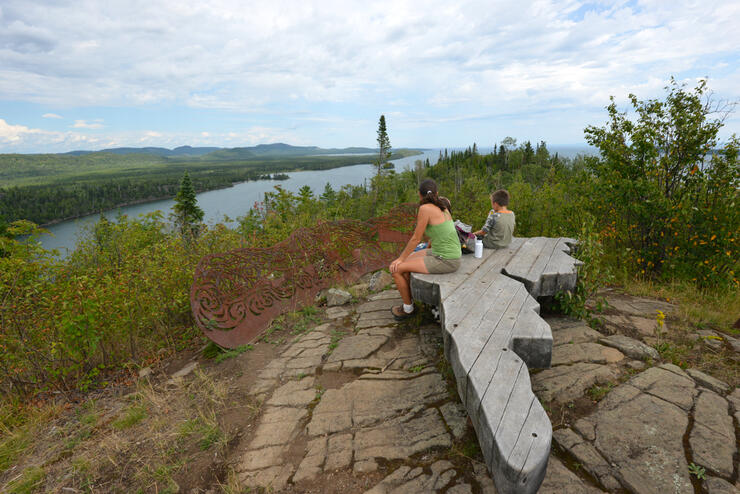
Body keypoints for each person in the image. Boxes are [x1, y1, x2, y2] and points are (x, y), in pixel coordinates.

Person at [389, 179, 461, 320]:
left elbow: (416, 238)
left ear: (419, 194)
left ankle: (408, 309)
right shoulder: (443, 207)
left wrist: (400, 258)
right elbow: (438, 234)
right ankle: (411, 298)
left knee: (396, 268)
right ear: (436, 193)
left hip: (446, 260)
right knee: (409, 260)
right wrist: (419, 253)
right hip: (446, 253)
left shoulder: (425, 209)